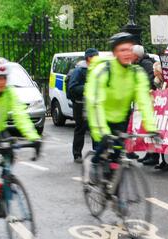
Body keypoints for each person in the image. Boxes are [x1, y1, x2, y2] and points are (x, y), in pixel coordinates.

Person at [84, 33, 158, 182]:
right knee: (104, 145)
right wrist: (103, 132)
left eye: (129, 49)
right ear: (115, 52)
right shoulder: (104, 71)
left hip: (120, 117)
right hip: (99, 115)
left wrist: (151, 128)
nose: (126, 53)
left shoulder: (137, 73)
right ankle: (94, 163)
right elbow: (96, 102)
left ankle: (114, 190)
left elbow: (144, 100)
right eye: (122, 50)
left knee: (118, 154)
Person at [0, 57, 41, 163]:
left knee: (9, 157)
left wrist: (34, 137)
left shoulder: (8, 93)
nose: (1, 82)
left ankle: (6, 177)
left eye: (4, 78)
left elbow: (20, 115)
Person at [68, 48, 99, 163]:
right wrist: (87, 87)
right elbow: (72, 88)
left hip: (93, 104)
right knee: (80, 129)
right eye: (95, 56)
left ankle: (97, 152)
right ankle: (77, 154)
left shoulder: (97, 70)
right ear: (89, 58)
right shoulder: (79, 70)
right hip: (80, 104)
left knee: (95, 127)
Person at [132, 44, 160, 165]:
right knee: (144, 129)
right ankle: (149, 153)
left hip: (148, 99)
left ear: (137, 56)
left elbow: (149, 81)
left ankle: (153, 156)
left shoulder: (146, 64)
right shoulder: (139, 64)